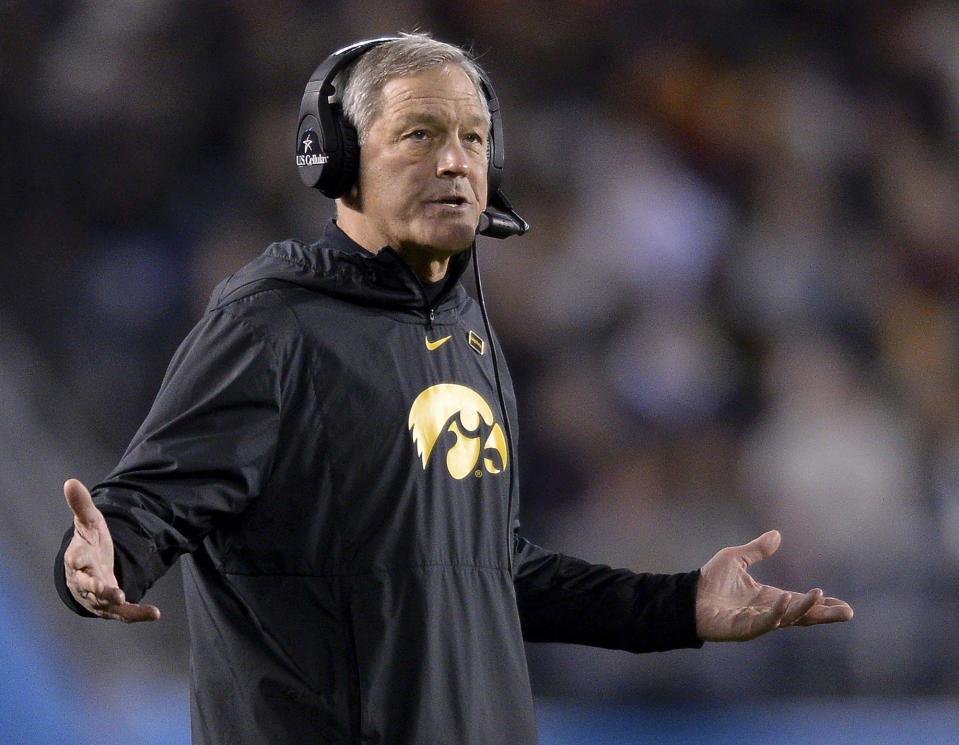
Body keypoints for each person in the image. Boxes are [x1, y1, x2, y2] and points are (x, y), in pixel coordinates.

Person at [55, 33, 853, 745]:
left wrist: (678, 607)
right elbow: (149, 505)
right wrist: (98, 559)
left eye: (474, 138)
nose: (456, 161)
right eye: (420, 134)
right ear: (336, 157)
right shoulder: (271, 329)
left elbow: (489, 570)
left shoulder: (467, 328)